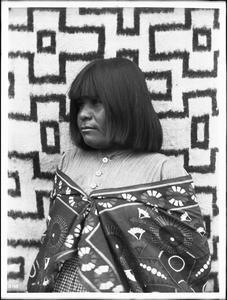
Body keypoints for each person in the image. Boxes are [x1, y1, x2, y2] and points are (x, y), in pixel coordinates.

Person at [27, 58, 211, 293]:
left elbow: (191, 256)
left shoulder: (164, 171)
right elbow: (53, 237)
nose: (83, 114)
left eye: (96, 103)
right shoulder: (69, 162)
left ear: (126, 105)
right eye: (80, 104)